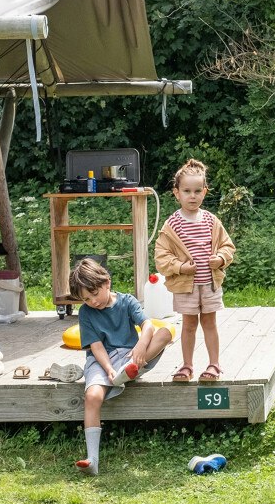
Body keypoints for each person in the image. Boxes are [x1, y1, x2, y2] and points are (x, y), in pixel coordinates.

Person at [70, 258, 173, 476]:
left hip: (132, 356)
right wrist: (108, 369)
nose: (92, 301)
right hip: (102, 360)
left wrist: (141, 345)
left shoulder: (127, 301)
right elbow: (96, 347)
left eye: (94, 294)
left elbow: (147, 326)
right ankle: (92, 459)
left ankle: (125, 374)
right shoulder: (86, 313)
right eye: (86, 299)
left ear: (107, 282)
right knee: (92, 396)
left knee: (164, 333)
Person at [155, 158, 236, 384]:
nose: (192, 196)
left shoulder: (211, 221)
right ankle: (187, 366)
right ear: (176, 193)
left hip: (209, 284)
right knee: (189, 325)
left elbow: (227, 246)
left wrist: (219, 259)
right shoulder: (173, 224)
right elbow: (161, 256)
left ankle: (214, 364)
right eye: (187, 191)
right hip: (185, 287)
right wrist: (181, 267)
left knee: (210, 323)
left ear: (205, 191)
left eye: (197, 191)